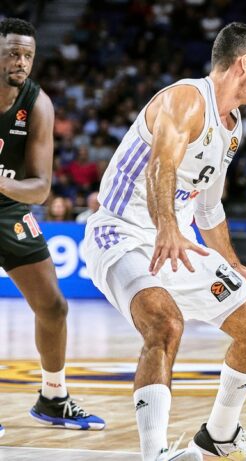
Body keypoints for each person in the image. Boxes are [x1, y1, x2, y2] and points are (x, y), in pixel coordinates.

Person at [82, 23, 246, 461]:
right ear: (244, 63)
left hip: (178, 245)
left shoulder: (232, 127)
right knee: (164, 324)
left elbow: (209, 208)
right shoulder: (187, 99)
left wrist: (235, 266)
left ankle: (219, 435)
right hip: (121, 233)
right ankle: (154, 453)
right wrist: (167, 226)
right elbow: (160, 166)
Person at [0, 17, 104, 438]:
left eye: (28, 55)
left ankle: (53, 397)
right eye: (13, 53)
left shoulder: (37, 104)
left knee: (54, 307)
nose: (21, 62)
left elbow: (41, 188)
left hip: (9, 209)